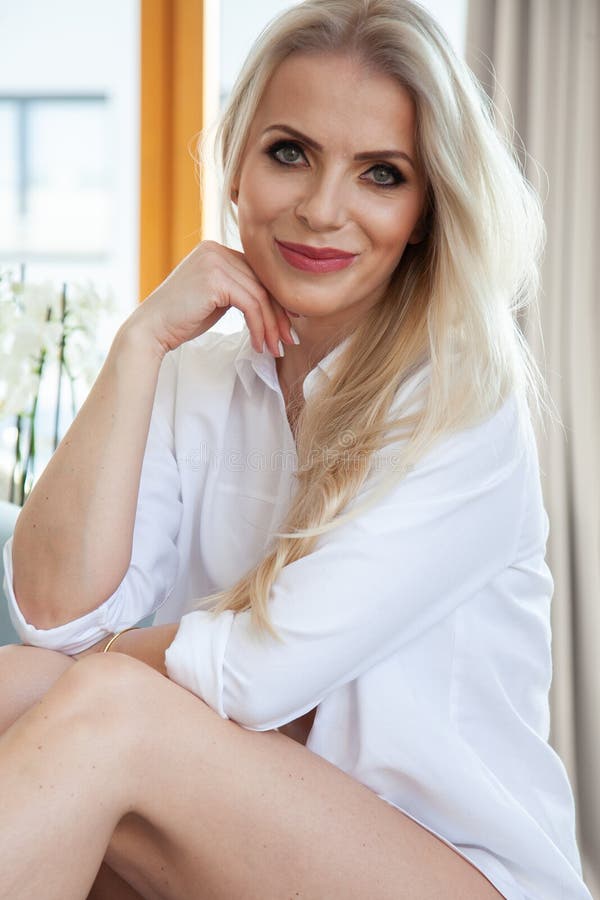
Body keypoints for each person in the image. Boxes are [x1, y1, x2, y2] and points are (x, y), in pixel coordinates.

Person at [0, 0, 592, 897]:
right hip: (255, 828)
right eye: (289, 153)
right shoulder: (193, 376)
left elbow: (259, 674)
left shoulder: (459, 401)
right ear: (237, 166)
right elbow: (55, 615)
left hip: (458, 870)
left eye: (381, 174)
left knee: (97, 705)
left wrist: (98, 666)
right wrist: (139, 342)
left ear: (428, 211)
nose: (322, 209)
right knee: (22, 682)